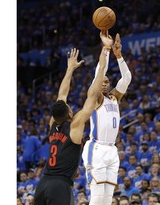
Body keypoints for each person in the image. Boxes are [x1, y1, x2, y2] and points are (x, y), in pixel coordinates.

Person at [34, 45, 108, 205]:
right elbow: (94, 95)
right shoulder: (74, 126)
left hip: (43, 184)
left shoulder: (52, 122)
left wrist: (70, 69)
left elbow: (62, 94)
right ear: (68, 114)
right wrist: (102, 65)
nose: (71, 108)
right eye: (69, 108)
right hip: (59, 185)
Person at [82, 31, 132, 205]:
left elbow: (127, 78)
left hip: (112, 150)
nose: (104, 83)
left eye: (107, 82)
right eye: (101, 81)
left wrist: (119, 56)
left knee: (107, 198)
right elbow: (99, 72)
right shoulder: (96, 98)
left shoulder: (114, 97)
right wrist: (106, 49)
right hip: (96, 148)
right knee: (96, 197)